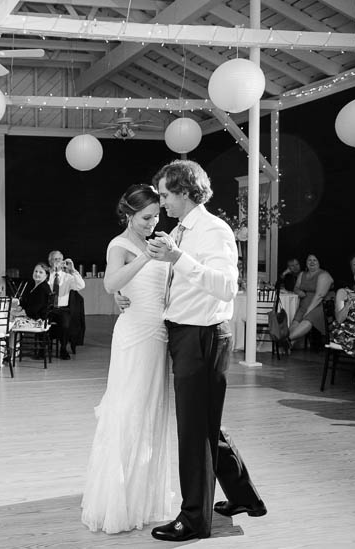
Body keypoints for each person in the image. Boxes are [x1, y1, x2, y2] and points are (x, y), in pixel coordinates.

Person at [146, 160, 265, 542]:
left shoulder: (214, 231)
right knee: (204, 422)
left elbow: (227, 287)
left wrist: (178, 258)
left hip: (203, 335)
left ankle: (194, 520)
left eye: (165, 194)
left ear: (184, 191)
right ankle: (244, 496)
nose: (162, 202)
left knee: (194, 430)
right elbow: (181, 283)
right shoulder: (182, 230)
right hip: (185, 333)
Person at [81, 184, 172, 535]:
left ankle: (145, 496)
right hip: (134, 334)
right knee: (129, 409)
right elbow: (109, 284)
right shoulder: (118, 245)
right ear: (129, 215)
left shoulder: (160, 240)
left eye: (157, 216)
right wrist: (146, 260)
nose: (153, 222)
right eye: (146, 217)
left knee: (151, 410)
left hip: (159, 333)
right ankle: (118, 498)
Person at [46, 250, 85, 360]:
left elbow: (81, 286)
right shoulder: (46, 274)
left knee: (65, 325)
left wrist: (73, 270)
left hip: (63, 309)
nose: (57, 261)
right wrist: (51, 274)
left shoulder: (68, 277)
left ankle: (63, 348)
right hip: (48, 308)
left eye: (59, 259)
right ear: (50, 261)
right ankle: (42, 348)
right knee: (42, 321)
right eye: (55, 259)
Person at [288, 253, 334, 345]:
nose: (312, 262)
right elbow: (296, 287)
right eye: (309, 260)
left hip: (319, 305)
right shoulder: (302, 274)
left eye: (314, 260)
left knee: (307, 320)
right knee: (295, 323)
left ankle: (286, 340)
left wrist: (308, 311)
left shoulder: (324, 275)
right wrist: (298, 291)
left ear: (319, 262)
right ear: (306, 262)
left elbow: (319, 296)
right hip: (304, 303)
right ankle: (287, 346)